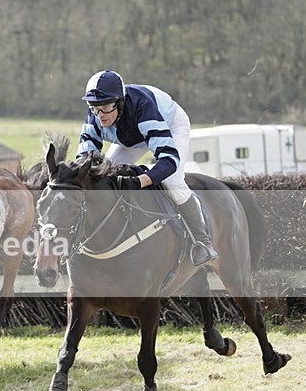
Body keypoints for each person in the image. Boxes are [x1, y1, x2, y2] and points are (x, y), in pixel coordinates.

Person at [77, 70, 218, 266]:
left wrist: (137, 182)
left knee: (172, 180)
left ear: (120, 102)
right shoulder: (96, 113)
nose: (101, 116)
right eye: (95, 108)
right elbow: (85, 159)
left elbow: (169, 161)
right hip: (130, 135)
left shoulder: (142, 107)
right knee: (105, 177)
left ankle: (202, 241)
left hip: (169, 125)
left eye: (107, 107)